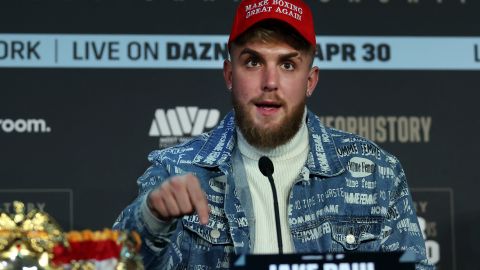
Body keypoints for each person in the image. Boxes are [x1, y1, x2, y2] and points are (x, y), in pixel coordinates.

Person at [113, 0, 433, 269]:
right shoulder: (177, 168)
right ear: (229, 75)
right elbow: (116, 263)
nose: (269, 82)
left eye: (288, 65)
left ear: (310, 81)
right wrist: (152, 218)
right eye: (253, 62)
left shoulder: (376, 172)